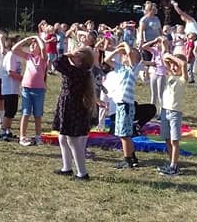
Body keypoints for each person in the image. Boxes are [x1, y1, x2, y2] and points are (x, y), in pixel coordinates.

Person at [52, 45, 97, 180]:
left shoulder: (78, 72)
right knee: (62, 137)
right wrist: (73, 55)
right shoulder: (76, 70)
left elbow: (57, 62)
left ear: (80, 59)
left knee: (73, 140)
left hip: (73, 108)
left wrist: (68, 54)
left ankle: (82, 173)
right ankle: (67, 168)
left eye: (76, 55)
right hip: (68, 106)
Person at [103, 40, 142, 170]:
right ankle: (132, 157)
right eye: (123, 54)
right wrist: (116, 51)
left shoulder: (133, 68)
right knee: (123, 134)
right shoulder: (120, 68)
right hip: (120, 104)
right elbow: (107, 60)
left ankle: (128, 160)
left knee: (124, 135)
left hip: (126, 105)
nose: (125, 55)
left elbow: (130, 53)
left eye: (127, 55)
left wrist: (125, 45)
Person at [12, 34, 48, 146]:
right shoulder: (28, 56)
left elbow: (43, 48)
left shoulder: (42, 58)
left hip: (39, 90)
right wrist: (26, 39)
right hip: (26, 89)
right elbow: (14, 49)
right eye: (31, 45)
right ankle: (22, 137)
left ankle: (38, 136)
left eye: (34, 45)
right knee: (26, 113)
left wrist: (37, 38)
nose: (31, 46)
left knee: (38, 115)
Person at [158, 52, 188, 176]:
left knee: (174, 140)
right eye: (172, 65)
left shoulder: (182, 79)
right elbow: (164, 59)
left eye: (176, 66)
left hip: (175, 113)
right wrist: (171, 60)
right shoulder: (170, 75)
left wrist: (174, 59)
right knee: (167, 139)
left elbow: (184, 64)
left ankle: (174, 167)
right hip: (165, 111)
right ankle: (171, 162)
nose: (174, 68)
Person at [0, 36, 22, 141]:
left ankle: (8, 131)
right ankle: (3, 132)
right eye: (19, 43)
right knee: (9, 111)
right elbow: (11, 72)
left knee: (12, 111)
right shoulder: (11, 55)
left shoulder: (16, 56)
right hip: (9, 88)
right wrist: (24, 79)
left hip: (14, 89)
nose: (21, 45)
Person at [142, 34, 168, 116]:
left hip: (161, 73)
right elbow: (144, 46)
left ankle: (162, 112)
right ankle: (151, 112)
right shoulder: (155, 50)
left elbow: (164, 50)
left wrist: (163, 42)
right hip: (153, 72)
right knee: (153, 93)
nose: (157, 44)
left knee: (160, 94)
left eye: (159, 43)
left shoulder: (165, 51)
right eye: (157, 43)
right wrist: (154, 40)